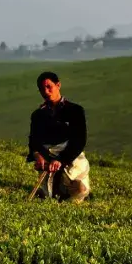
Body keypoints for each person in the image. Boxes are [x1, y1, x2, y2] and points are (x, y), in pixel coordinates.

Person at [27, 71, 90, 202]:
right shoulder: (38, 115)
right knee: (49, 193)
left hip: (71, 158)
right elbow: (34, 140)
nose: (46, 91)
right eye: (42, 89)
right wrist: (37, 155)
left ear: (58, 85)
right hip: (47, 160)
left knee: (79, 189)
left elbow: (79, 140)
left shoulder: (75, 111)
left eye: (49, 86)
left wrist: (61, 159)